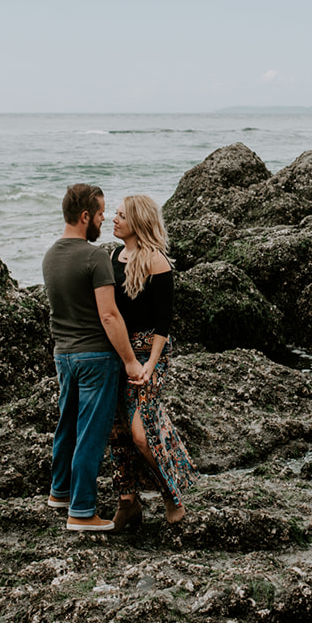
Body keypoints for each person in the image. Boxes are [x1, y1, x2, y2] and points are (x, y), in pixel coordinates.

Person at [42, 183, 144, 532]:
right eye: (101, 213)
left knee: (67, 424)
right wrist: (130, 360)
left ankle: (60, 493)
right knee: (91, 433)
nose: (104, 219)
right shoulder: (95, 256)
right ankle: (82, 511)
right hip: (95, 358)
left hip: (63, 356)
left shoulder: (51, 255)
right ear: (85, 216)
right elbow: (109, 316)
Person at [107, 194, 196, 528]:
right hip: (116, 354)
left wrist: (151, 362)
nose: (113, 220)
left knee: (142, 434)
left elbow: (164, 320)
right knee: (118, 431)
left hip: (148, 356)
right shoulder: (113, 256)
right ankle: (127, 502)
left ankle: (172, 496)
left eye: (120, 216)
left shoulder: (157, 261)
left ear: (137, 222)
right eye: (113, 214)